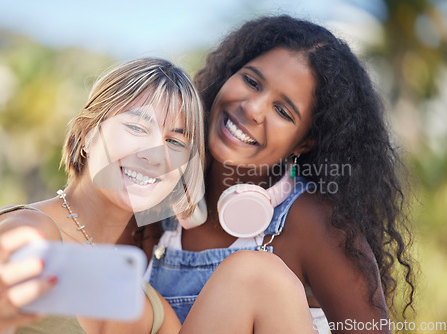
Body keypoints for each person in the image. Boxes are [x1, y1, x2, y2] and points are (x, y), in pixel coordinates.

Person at [0, 57, 317, 334]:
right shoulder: (33, 231)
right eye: (137, 126)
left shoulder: (136, 291)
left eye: (174, 141)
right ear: (89, 132)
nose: (154, 154)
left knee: (258, 274)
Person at [145, 15, 415, 334]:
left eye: (283, 111)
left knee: (253, 273)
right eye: (251, 81)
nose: (254, 108)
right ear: (227, 75)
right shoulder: (158, 197)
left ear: (304, 143)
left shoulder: (316, 223)